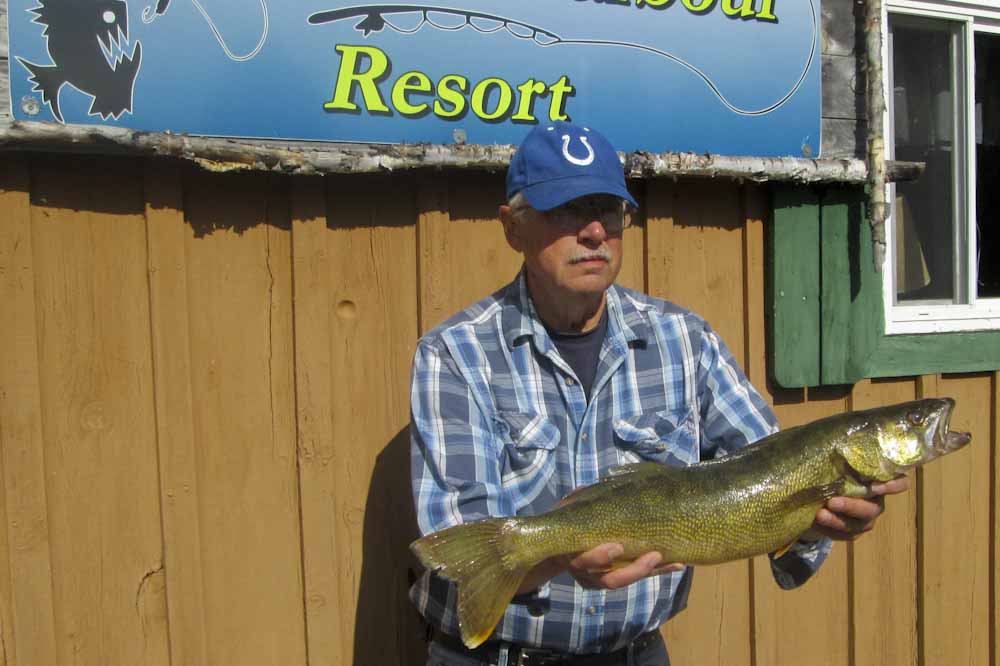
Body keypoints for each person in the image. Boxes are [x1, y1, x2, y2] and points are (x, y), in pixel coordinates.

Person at [408, 121, 907, 666]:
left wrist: (818, 520)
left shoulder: (685, 341)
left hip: (636, 654)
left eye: (608, 211)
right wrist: (561, 554)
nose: (594, 232)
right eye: (566, 210)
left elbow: (773, 470)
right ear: (512, 227)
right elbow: (460, 549)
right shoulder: (455, 354)